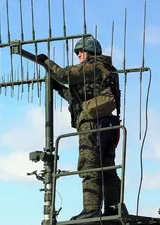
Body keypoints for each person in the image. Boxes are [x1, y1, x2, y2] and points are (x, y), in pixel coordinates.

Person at [36, 35, 122, 220]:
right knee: (107, 169)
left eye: (80, 52)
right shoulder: (107, 69)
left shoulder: (93, 66)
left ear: (89, 52)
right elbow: (78, 100)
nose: (79, 56)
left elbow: (64, 74)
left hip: (92, 125)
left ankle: (91, 209)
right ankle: (113, 208)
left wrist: (45, 61)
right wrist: (59, 89)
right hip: (108, 125)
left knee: (89, 166)